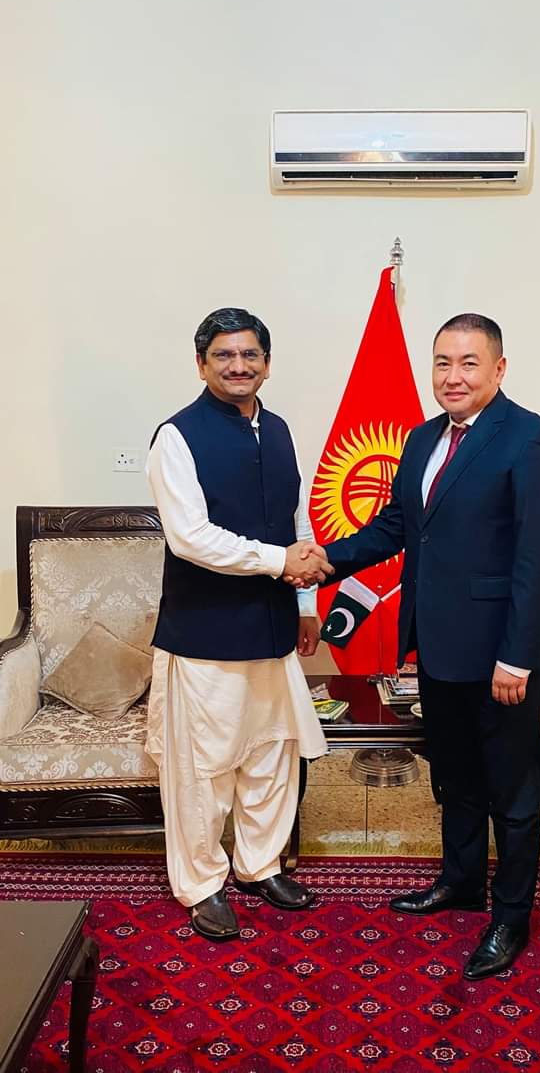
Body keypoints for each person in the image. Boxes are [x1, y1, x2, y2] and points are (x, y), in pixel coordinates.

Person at [315, 313, 540, 979]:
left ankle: (510, 916)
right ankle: (460, 881)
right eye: (442, 363)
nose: (452, 376)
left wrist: (518, 655)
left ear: (499, 368)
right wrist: (324, 560)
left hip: (500, 657)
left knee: (512, 790)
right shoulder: (423, 438)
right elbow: (397, 526)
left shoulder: (533, 438)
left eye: (468, 362)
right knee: (454, 775)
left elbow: (537, 561)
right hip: (434, 645)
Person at [146, 306, 332, 940]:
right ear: (201, 364)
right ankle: (202, 884)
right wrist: (280, 563)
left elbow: (296, 517)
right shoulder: (176, 437)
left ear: (267, 364)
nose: (238, 365)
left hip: (274, 626)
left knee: (271, 756)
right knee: (205, 769)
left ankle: (260, 866)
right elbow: (190, 537)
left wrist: (305, 604)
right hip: (206, 634)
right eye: (224, 355)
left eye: (250, 354)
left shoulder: (277, 429)